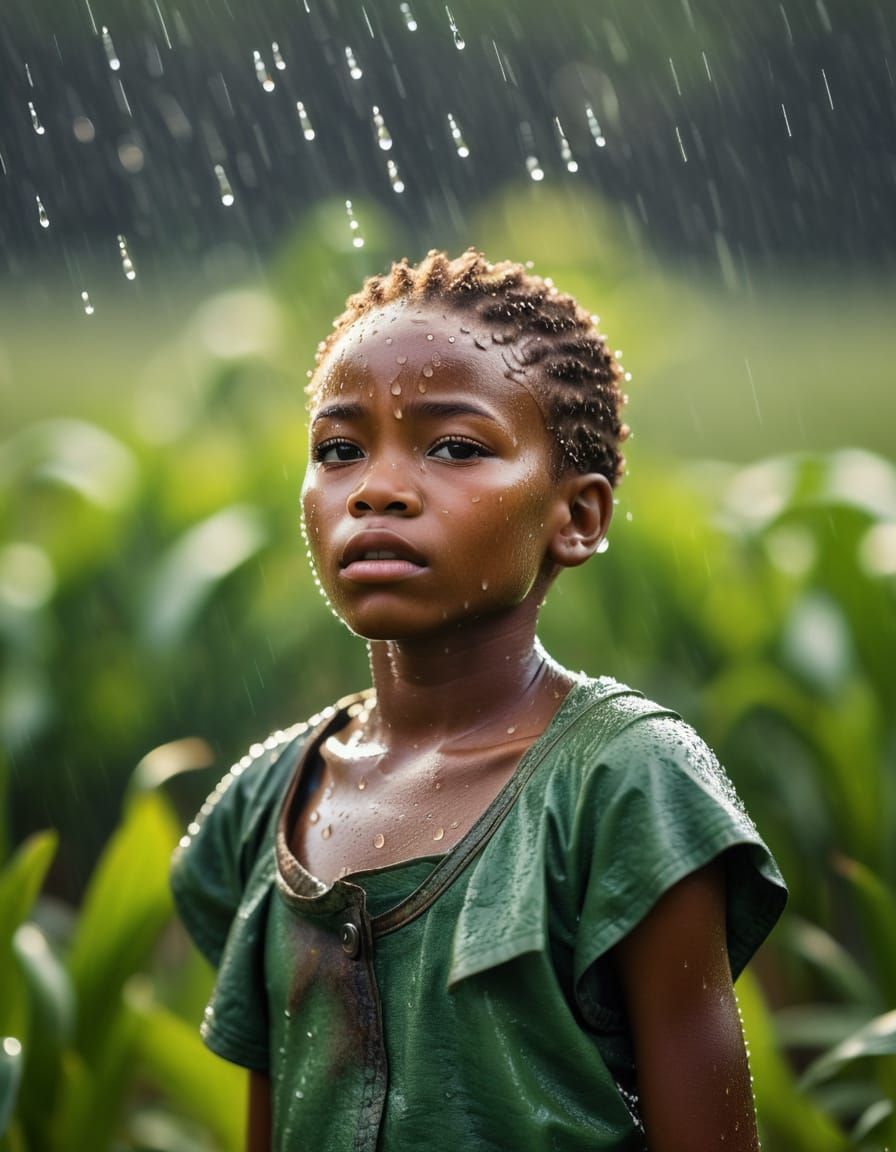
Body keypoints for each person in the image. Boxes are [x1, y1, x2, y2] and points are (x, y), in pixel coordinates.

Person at [171, 249, 787, 1151]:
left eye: (454, 447)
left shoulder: (621, 787)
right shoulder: (267, 806)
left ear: (575, 516)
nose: (376, 489)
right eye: (339, 450)